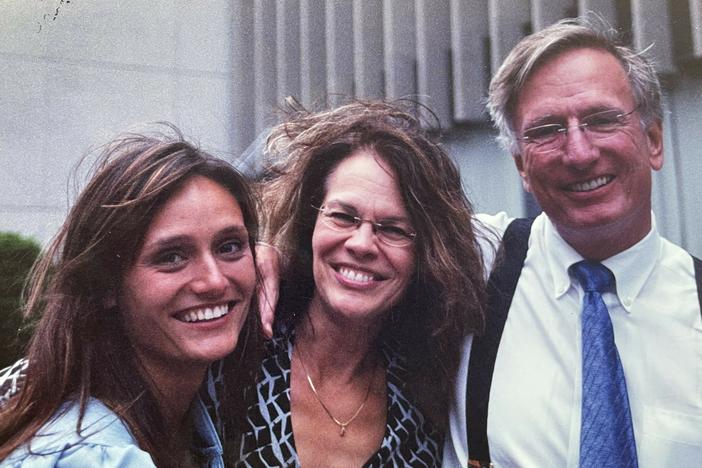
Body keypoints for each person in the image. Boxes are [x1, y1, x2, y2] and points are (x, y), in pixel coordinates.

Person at [442, 18, 702, 467]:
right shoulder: (473, 263)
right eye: (546, 130)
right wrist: (276, 255)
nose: (579, 153)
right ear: (521, 164)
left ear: (654, 140)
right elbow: (343, 245)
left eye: (602, 120)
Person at [237, 100, 486, 467]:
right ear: (310, 224)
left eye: (393, 229)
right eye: (343, 216)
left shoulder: (427, 399)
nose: (362, 244)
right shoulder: (241, 348)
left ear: (426, 253)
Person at [0, 129, 262, 467]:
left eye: (229, 247)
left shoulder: (187, 420)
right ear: (106, 284)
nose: (213, 281)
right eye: (172, 256)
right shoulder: (89, 457)